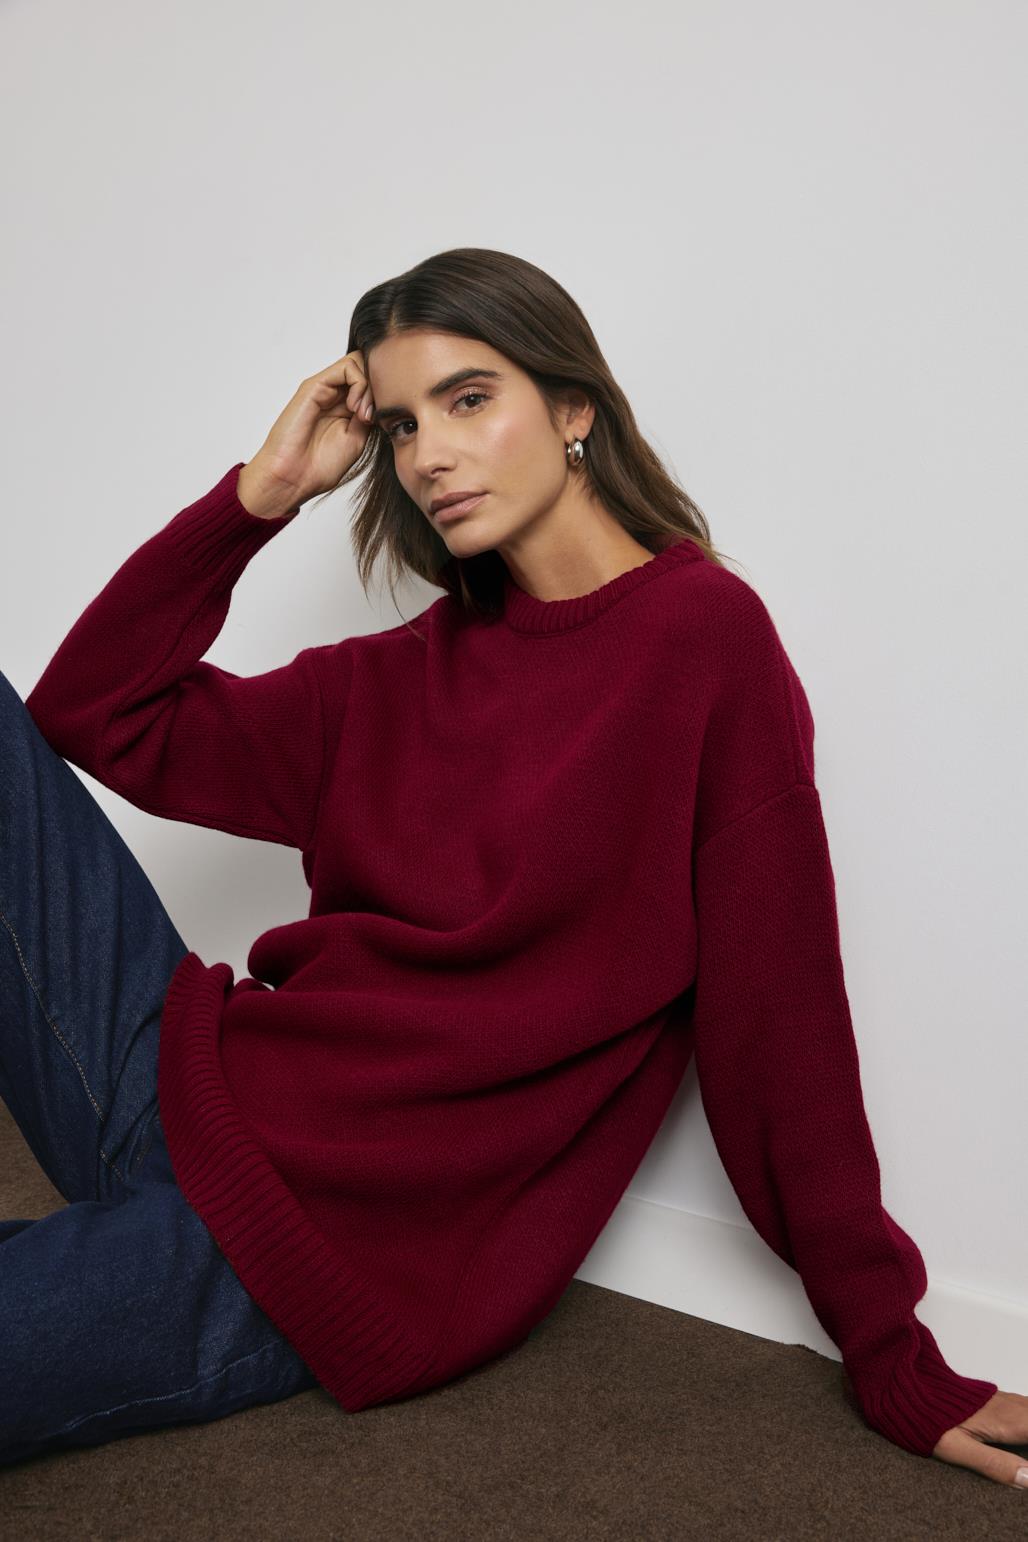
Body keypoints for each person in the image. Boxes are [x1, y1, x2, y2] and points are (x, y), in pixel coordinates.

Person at [2, 247, 1024, 1485]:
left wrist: (888, 1350)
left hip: (320, 1245)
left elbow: (779, 1023)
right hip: (179, 1077)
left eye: (468, 399)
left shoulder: (703, 644)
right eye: (399, 425)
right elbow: (87, 714)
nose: (427, 454)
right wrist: (258, 497)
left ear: (571, 407)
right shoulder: (393, 678)